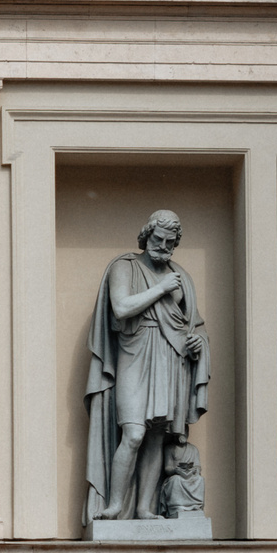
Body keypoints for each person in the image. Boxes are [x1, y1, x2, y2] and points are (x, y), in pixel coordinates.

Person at [85, 209, 210, 521]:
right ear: (146, 235)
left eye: (170, 242)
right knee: (134, 433)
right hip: (134, 353)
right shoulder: (124, 267)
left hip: (171, 357)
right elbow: (122, 307)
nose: (163, 246)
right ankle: (115, 505)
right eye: (158, 239)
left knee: (156, 434)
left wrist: (198, 343)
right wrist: (161, 289)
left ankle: (143, 507)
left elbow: (193, 325)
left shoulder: (181, 277)